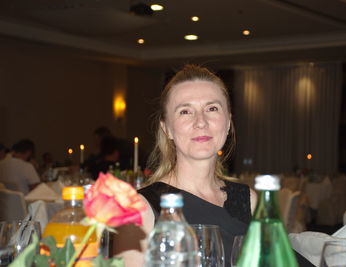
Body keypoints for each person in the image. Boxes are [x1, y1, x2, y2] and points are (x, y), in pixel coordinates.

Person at [112, 65, 313, 267]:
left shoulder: (247, 200)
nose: (201, 121)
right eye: (185, 111)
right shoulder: (139, 209)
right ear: (167, 129)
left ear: (227, 123)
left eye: (212, 108)